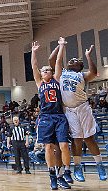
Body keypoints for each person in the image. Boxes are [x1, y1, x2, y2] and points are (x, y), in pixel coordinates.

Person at [59, 45, 107, 181]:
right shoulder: (62, 72)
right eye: (71, 59)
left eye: (75, 60)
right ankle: (78, 167)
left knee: (89, 138)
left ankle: (99, 165)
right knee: (77, 139)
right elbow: (54, 61)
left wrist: (88, 57)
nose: (71, 60)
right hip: (69, 110)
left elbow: (93, 72)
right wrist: (60, 47)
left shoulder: (82, 75)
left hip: (83, 107)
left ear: (80, 66)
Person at [32, 38, 72, 190]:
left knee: (63, 146)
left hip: (59, 116)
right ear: (41, 74)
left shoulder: (56, 79)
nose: (47, 71)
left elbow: (58, 61)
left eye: (48, 69)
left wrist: (61, 46)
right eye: (44, 70)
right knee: (48, 148)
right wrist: (34, 53)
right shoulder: (39, 83)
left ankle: (65, 172)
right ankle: (53, 177)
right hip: (46, 118)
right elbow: (33, 65)